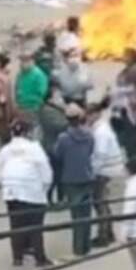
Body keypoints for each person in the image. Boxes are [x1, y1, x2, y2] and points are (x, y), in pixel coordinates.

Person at [0, 119, 54, 267]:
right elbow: (45, 171)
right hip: (31, 191)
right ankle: (40, 258)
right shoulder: (35, 148)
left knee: (16, 225)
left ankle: (17, 257)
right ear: (28, 133)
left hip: (11, 192)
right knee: (36, 226)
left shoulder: (5, 150)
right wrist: (44, 189)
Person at [54, 104, 96, 257]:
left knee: (76, 215)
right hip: (86, 176)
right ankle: (86, 245)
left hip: (70, 178)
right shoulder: (89, 135)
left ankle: (78, 248)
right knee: (87, 213)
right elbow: (91, 151)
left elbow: (58, 155)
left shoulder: (63, 138)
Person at [90, 101, 125, 248]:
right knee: (103, 203)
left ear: (97, 114)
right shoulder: (100, 128)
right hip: (111, 168)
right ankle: (109, 232)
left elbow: (100, 154)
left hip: (105, 170)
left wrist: (92, 172)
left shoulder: (101, 132)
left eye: (90, 114)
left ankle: (103, 235)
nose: (88, 117)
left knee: (100, 203)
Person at [37, 84, 70, 206]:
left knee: (61, 174)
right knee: (54, 175)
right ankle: (49, 198)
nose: (60, 98)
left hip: (59, 145)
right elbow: (59, 125)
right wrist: (69, 118)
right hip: (52, 146)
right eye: (57, 96)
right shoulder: (47, 110)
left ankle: (61, 198)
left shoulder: (57, 108)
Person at [15, 52, 49, 123]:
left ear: (31, 61)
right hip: (21, 109)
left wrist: (31, 102)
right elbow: (17, 89)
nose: (22, 63)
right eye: (21, 60)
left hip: (34, 109)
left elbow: (42, 93)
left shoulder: (39, 75)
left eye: (25, 60)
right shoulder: (20, 75)